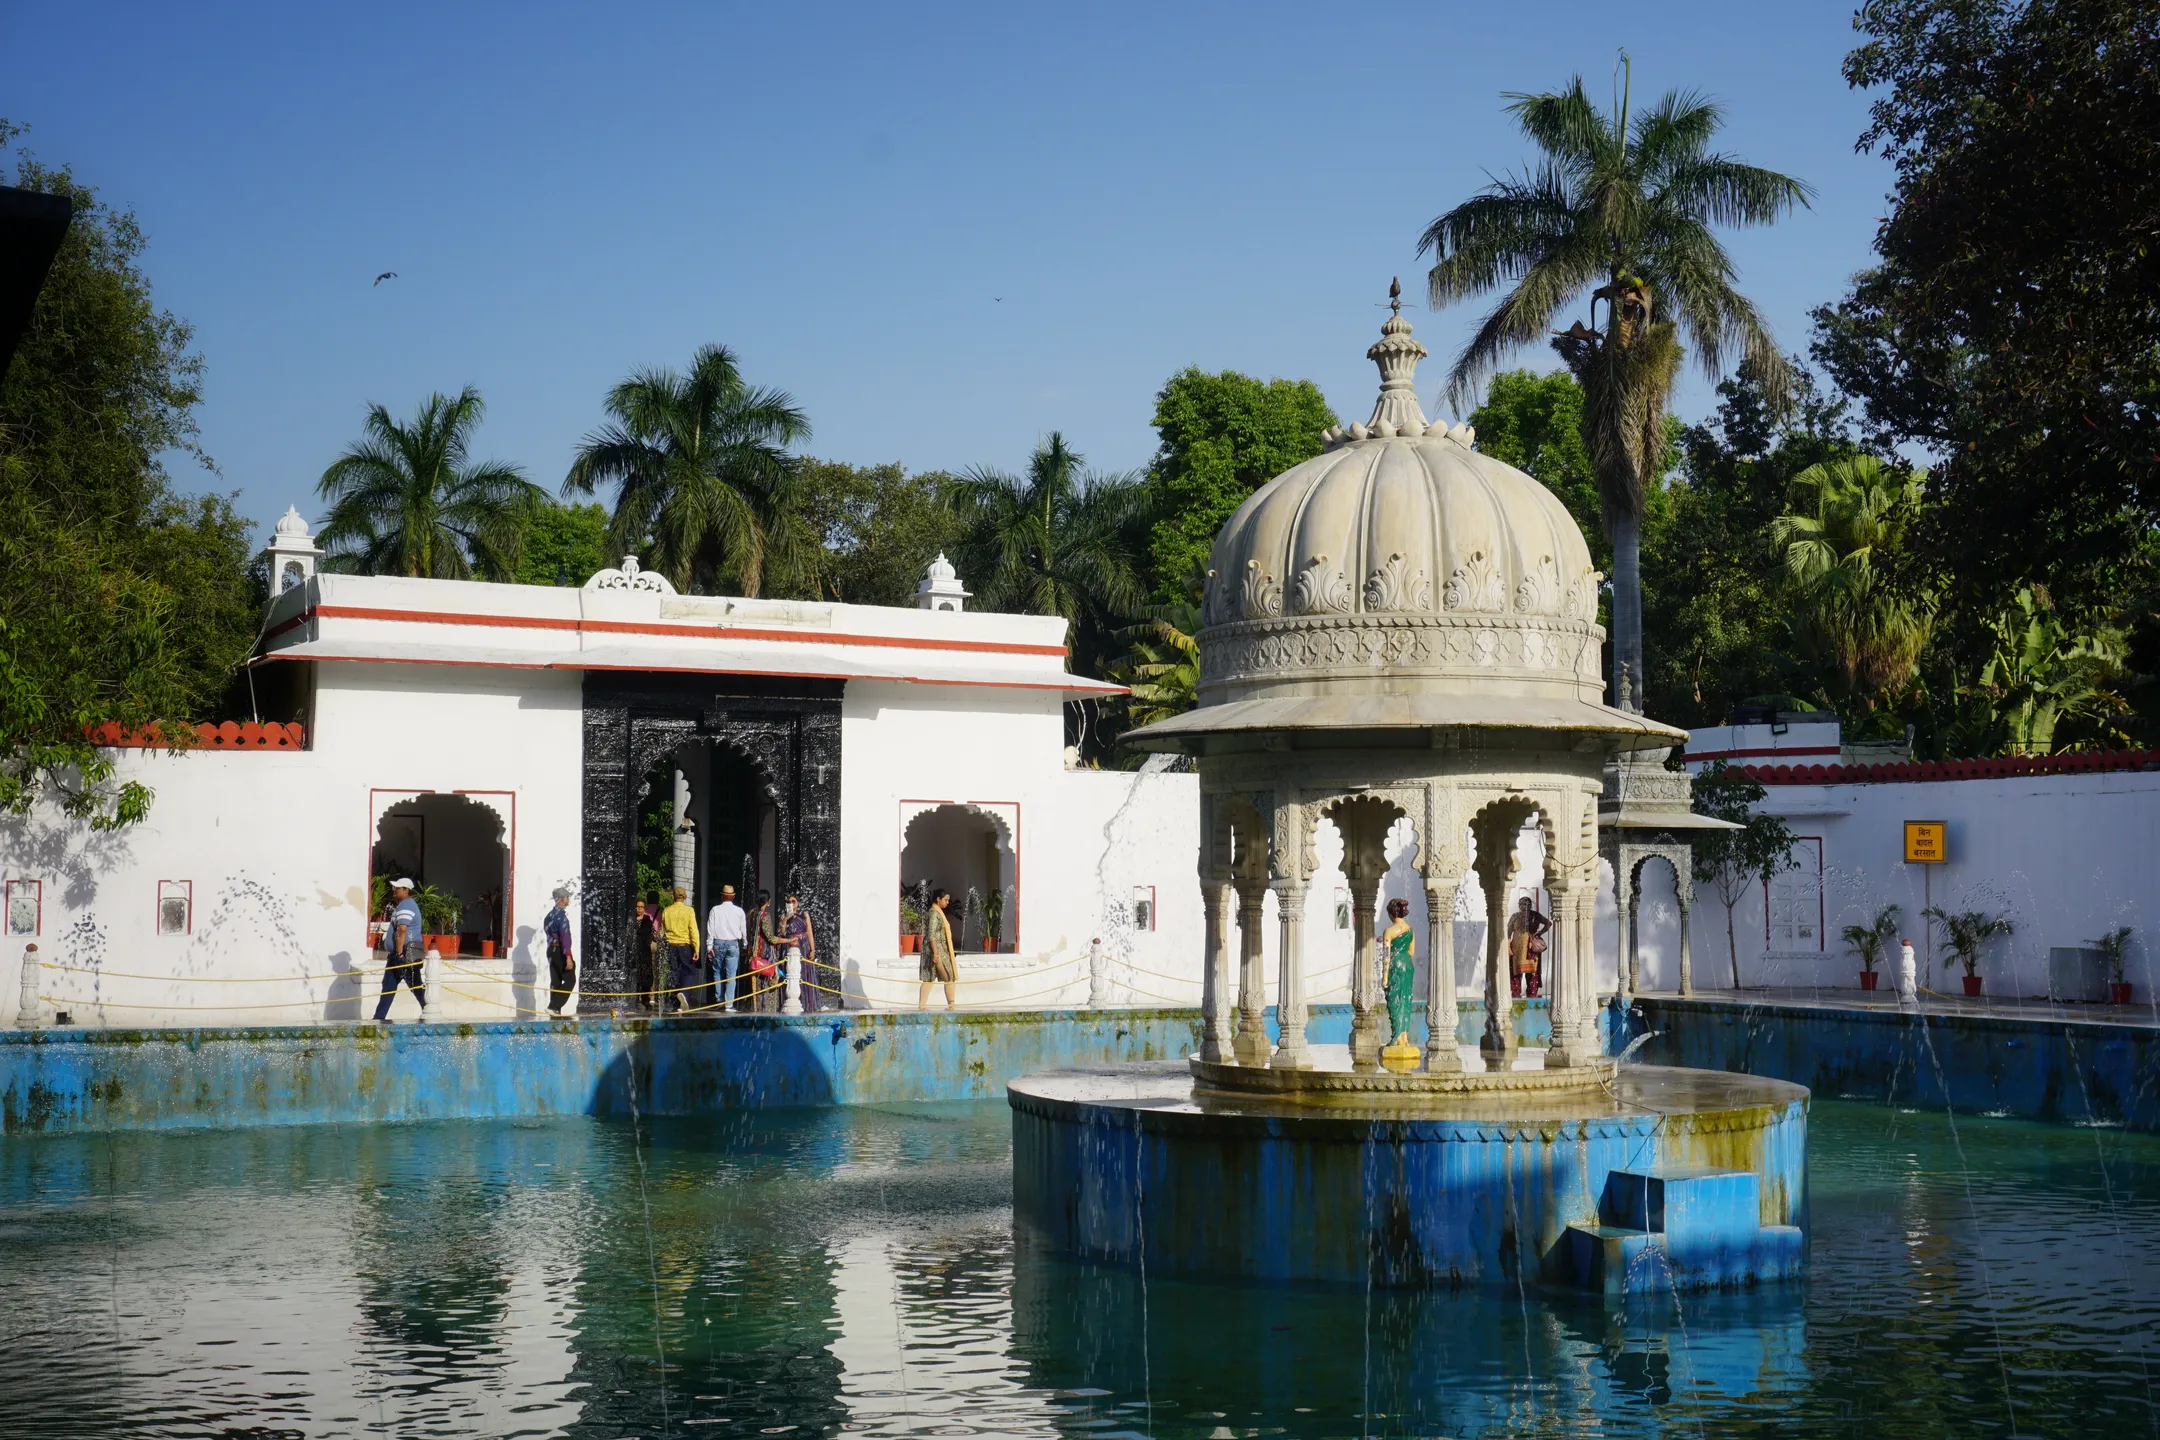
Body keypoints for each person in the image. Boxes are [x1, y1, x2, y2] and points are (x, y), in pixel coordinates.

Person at [373, 878, 426, 1022]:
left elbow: (402, 930)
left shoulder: (406, 905)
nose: (394, 890)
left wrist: (399, 952)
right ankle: (378, 1019)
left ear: (406, 890)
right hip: (399, 954)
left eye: (397, 888)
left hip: (404, 954)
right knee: (389, 987)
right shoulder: (404, 905)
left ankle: (430, 1011)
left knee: (415, 987)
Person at [1381, 896, 1417, 1043]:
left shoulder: (1388, 931)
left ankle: (1396, 1038)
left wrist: (1385, 977)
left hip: (1395, 966)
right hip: (1407, 965)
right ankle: (1404, 1037)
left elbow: (1386, 956)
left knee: (1394, 1000)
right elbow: (1411, 952)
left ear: (1392, 913)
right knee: (1405, 999)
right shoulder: (1410, 930)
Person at [660, 886, 701, 1013]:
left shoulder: (666, 910)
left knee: (673, 973)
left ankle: (675, 1003)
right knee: (688, 972)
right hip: (684, 946)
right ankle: (684, 994)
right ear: (685, 897)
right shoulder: (689, 911)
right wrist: (696, 948)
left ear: (673, 896)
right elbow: (693, 930)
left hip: (671, 946)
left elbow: (662, 931)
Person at [706, 884, 747, 1011]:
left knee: (717, 972)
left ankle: (719, 1000)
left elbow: (710, 929)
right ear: (733, 897)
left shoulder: (715, 910)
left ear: (722, 896)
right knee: (731, 974)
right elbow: (743, 930)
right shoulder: (739, 911)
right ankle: (729, 1004)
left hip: (718, 943)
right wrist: (745, 944)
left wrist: (709, 946)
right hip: (733, 943)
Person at [919, 887, 958, 1010]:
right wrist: (936, 953)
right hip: (936, 951)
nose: (947, 902)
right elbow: (931, 934)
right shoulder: (934, 914)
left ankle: (923, 1006)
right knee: (947, 977)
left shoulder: (937, 912)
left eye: (948, 900)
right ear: (938, 899)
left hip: (938, 950)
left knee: (931, 978)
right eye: (945, 900)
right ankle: (950, 1006)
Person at [1507, 895, 1550, 999]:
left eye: (1526, 905)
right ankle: (1516, 996)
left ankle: (1531, 996)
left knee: (1531, 974)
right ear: (1519, 906)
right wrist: (1508, 947)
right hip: (1517, 950)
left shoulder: (1535, 916)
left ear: (1530, 905)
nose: (1524, 907)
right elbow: (1508, 933)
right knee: (1517, 974)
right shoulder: (1515, 916)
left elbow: (1548, 924)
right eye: (1522, 905)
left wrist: (1539, 933)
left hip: (1531, 949)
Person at [780, 894, 817, 1011]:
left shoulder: (804, 915)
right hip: (789, 945)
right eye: (788, 902)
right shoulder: (783, 916)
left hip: (803, 946)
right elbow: (782, 933)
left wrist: (812, 949)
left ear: (798, 903)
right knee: (790, 973)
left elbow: (809, 933)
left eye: (793, 901)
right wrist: (785, 919)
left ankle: (807, 1003)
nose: (791, 903)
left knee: (804, 972)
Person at [542, 886, 575, 1015]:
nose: (568, 900)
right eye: (567, 898)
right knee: (570, 980)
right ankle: (554, 1006)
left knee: (555, 981)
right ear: (561, 899)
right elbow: (565, 937)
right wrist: (568, 956)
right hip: (560, 950)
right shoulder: (561, 917)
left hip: (551, 950)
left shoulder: (548, 916)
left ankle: (555, 1012)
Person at [749, 889, 779, 1012]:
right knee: (767, 981)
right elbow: (770, 938)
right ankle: (765, 1010)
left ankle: (755, 1008)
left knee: (754, 983)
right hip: (763, 953)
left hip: (752, 952)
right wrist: (787, 940)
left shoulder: (751, 914)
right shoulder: (765, 916)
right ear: (768, 901)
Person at [633, 896, 660, 1009]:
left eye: (642, 907)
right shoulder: (631, 920)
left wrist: (655, 937)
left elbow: (654, 933)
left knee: (646, 976)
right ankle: (634, 999)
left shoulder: (647, 920)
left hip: (644, 952)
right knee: (634, 975)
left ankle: (645, 1000)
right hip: (634, 952)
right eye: (638, 907)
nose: (639, 909)